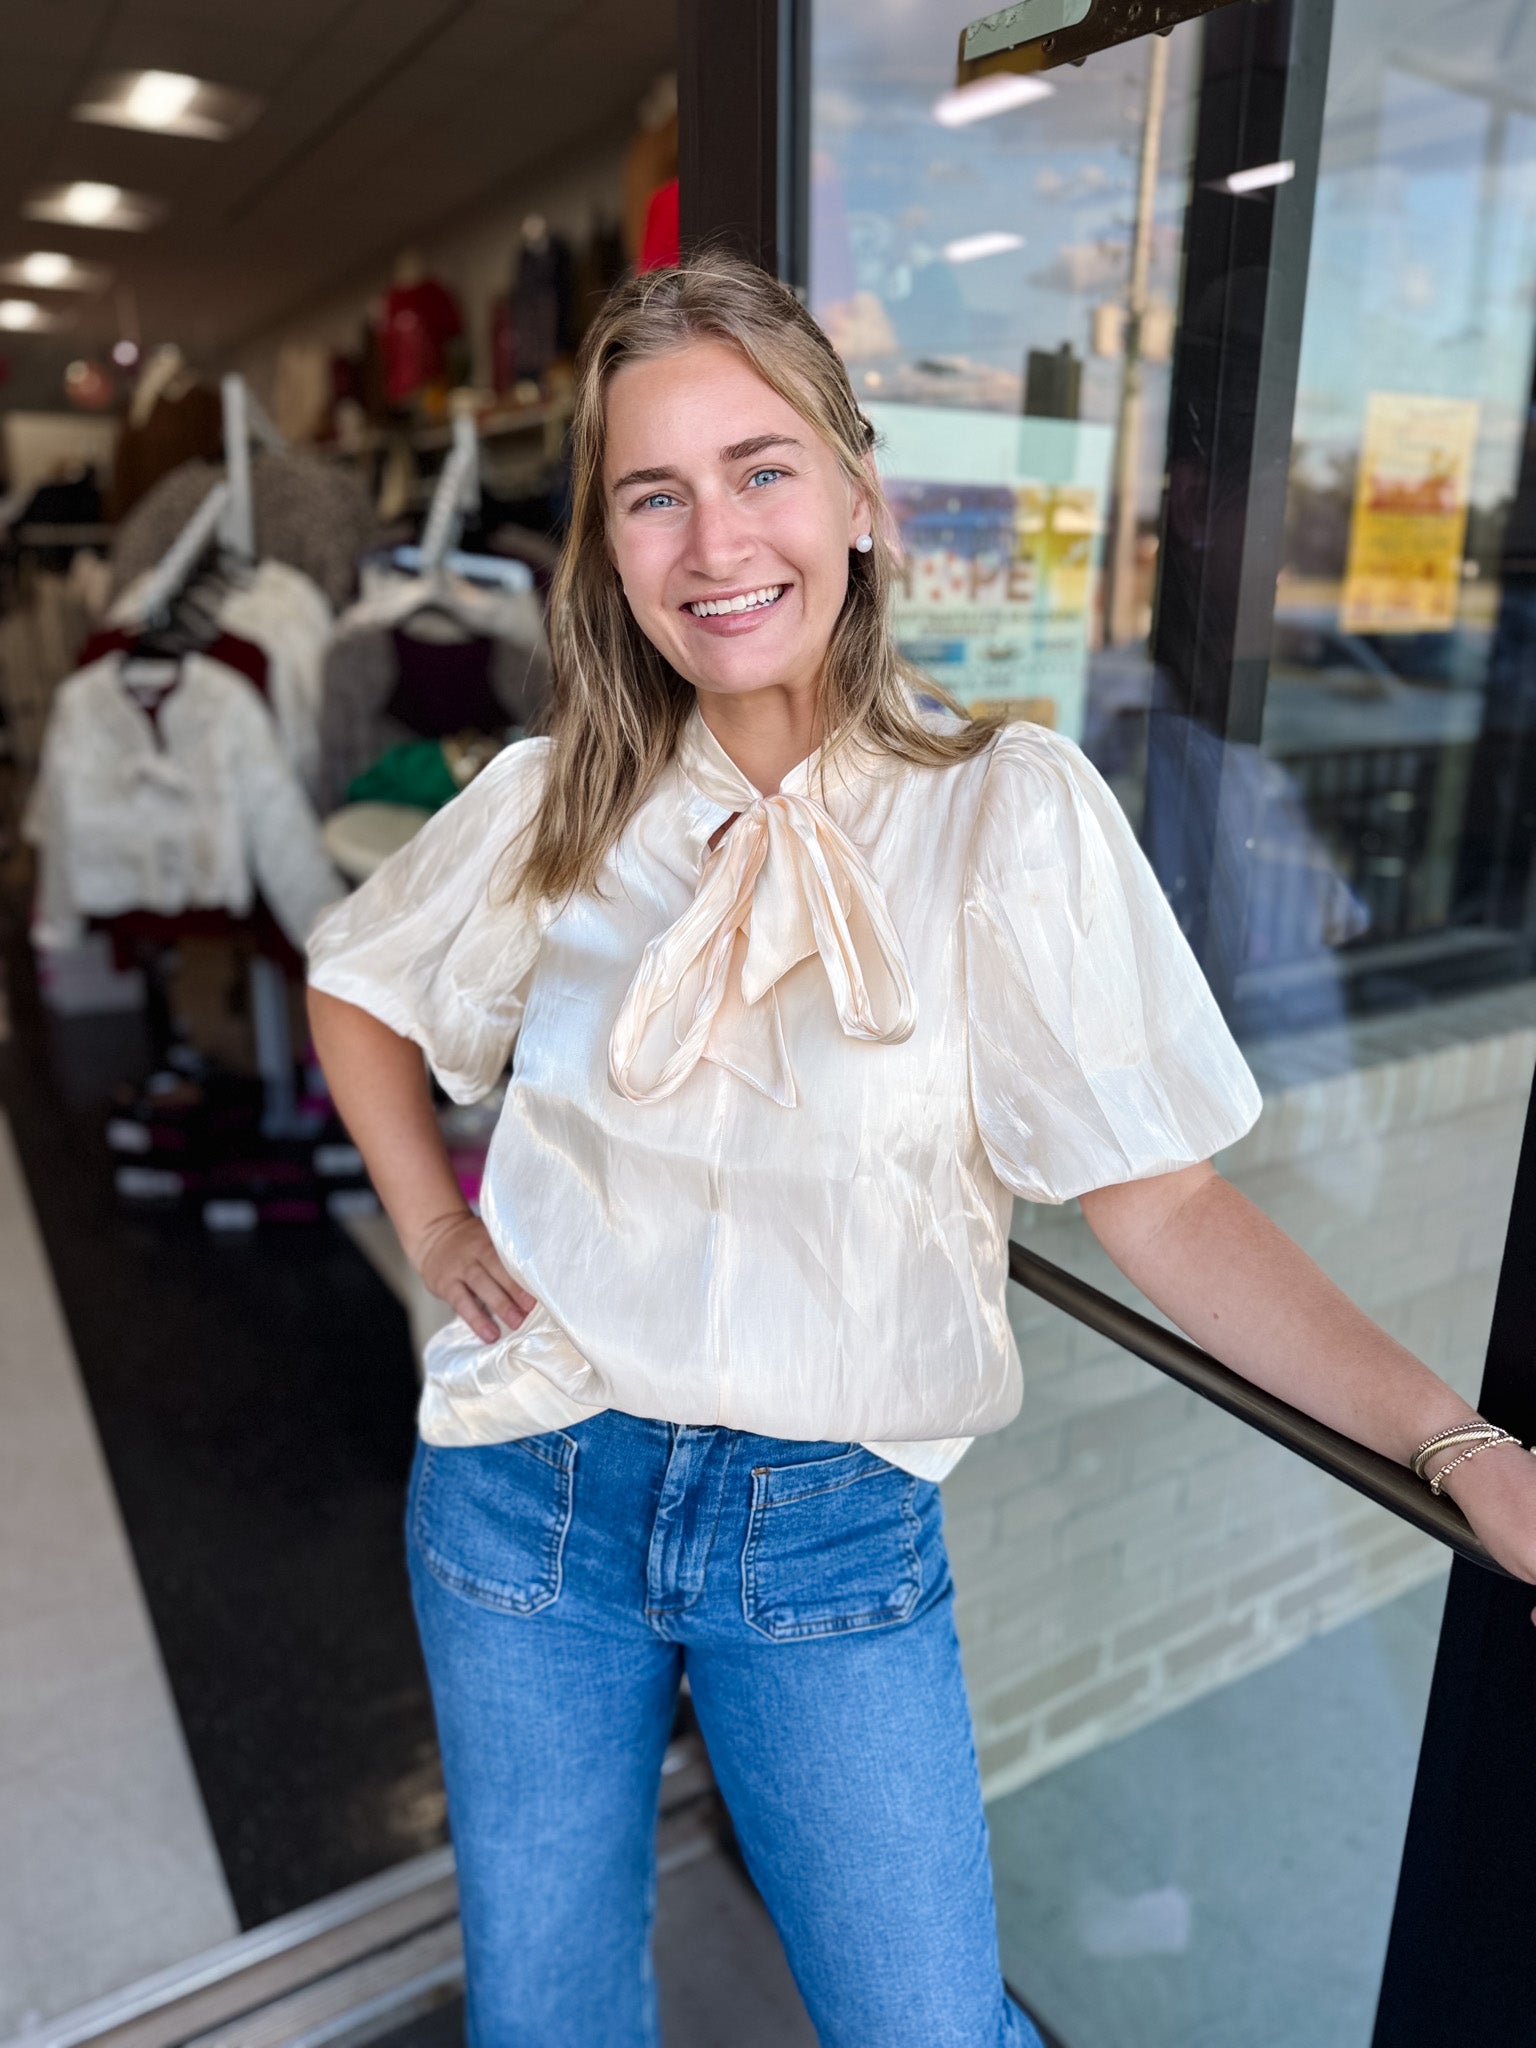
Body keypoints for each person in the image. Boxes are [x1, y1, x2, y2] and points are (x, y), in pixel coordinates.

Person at [306, 250, 1536, 2048]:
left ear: (861, 498)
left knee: (927, 2030)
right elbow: (359, 988)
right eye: (655, 493)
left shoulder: (1005, 815)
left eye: (762, 469)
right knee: (545, 2011)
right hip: (527, 1487)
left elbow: (1168, 1203)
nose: (715, 540)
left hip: (824, 1527)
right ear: (610, 546)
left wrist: (1452, 1436)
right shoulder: (547, 802)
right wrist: (433, 1222)